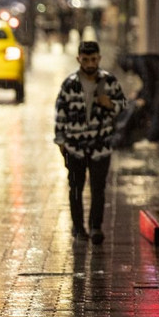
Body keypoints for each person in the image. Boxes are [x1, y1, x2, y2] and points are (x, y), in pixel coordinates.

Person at [54, 41, 127, 245]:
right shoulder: (70, 84)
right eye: (85, 59)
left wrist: (110, 104)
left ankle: (96, 227)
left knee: (98, 188)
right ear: (79, 59)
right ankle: (78, 228)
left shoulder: (109, 82)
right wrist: (61, 141)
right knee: (76, 188)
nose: (89, 63)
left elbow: (123, 106)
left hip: (100, 145)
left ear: (99, 59)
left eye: (93, 59)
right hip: (75, 147)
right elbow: (60, 113)